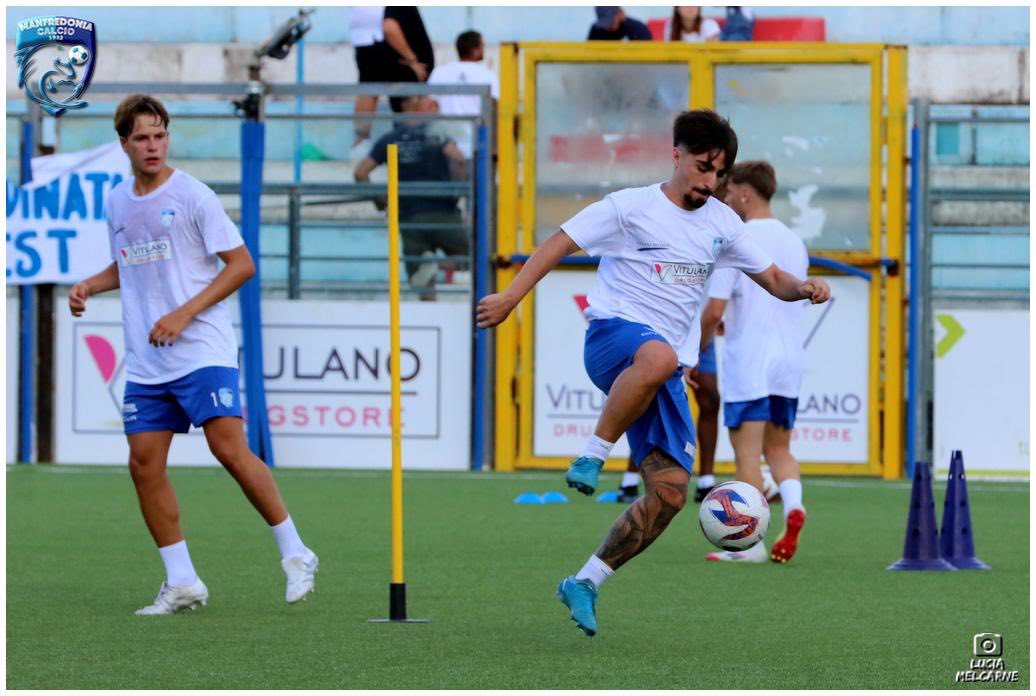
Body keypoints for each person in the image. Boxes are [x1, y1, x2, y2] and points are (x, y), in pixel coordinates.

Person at [476, 110, 830, 636]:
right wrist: (511, 296)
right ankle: (593, 453)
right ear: (677, 155)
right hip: (612, 340)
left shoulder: (722, 223)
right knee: (661, 357)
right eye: (703, 167)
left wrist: (803, 288)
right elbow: (560, 242)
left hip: (661, 369)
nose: (709, 181)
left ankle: (585, 581)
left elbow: (774, 277)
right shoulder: (630, 207)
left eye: (719, 173)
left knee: (670, 494)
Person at [67, 95, 318, 615]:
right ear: (124, 144)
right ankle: (182, 581)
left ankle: (296, 553)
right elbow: (129, 264)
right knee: (143, 464)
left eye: (159, 135)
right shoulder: (117, 202)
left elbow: (241, 264)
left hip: (202, 348)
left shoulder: (193, 195)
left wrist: (183, 314)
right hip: (148, 359)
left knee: (228, 449)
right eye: (142, 137)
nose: (153, 145)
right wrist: (90, 284)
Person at [700, 160, 809, 564]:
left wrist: (696, 353)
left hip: (750, 360)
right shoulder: (795, 242)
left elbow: (714, 311)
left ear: (745, 193)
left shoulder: (736, 240)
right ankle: (794, 506)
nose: (725, 200)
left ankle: (749, 545)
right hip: (788, 362)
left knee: (746, 453)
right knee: (779, 448)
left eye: (729, 193)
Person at [354, 94, 469, 300]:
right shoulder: (436, 135)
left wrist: (381, 200)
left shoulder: (389, 139)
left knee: (422, 279)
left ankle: (429, 307)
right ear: (414, 105)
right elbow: (459, 159)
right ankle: (438, 265)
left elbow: (360, 173)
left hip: (409, 217)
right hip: (444, 213)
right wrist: (458, 189)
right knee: (472, 259)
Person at [350, 7, 434, 154]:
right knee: (405, 105)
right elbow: (389, 28)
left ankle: (361, 145)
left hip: (366, 40)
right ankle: (405, 148)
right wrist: (412, 60)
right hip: (380, 43)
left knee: (369, 91)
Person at [428, 30, 499, 161]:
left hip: (446, 145)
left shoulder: (439, 73)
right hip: (477, 145)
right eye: (482, 46)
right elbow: (494, 109)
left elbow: (428, 106)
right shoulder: (487, 75)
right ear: (475, 49)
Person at [587, 6, 653, 41]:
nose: (607, 26)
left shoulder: (638, 30)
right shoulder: (596, 29)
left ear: (621, 14)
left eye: (610, 20)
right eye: (603, 22)